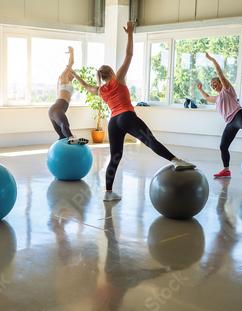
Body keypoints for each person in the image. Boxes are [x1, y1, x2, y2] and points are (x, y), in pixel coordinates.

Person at [72, 21, 196, 202]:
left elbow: (84, 85)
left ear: (101, 77)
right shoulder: (118, 79)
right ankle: (176, 160)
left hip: (113, 122)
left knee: (115, 156)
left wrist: (74, 73)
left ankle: (108, 192)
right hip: (126, 117)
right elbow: (129, 55)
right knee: (150, 140)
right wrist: (130, 33)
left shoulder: (100, 90)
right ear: (112, 73)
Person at [48, 47, 88, 145]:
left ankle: (69, 140)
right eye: (71, 71)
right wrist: (72, 52)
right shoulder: (63, 78)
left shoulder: (68, 82)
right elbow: (71, 62)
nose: (73, 73)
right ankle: (72, 138)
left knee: (62, 137)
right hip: (57, 108)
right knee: (65, 125)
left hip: (57, 109)